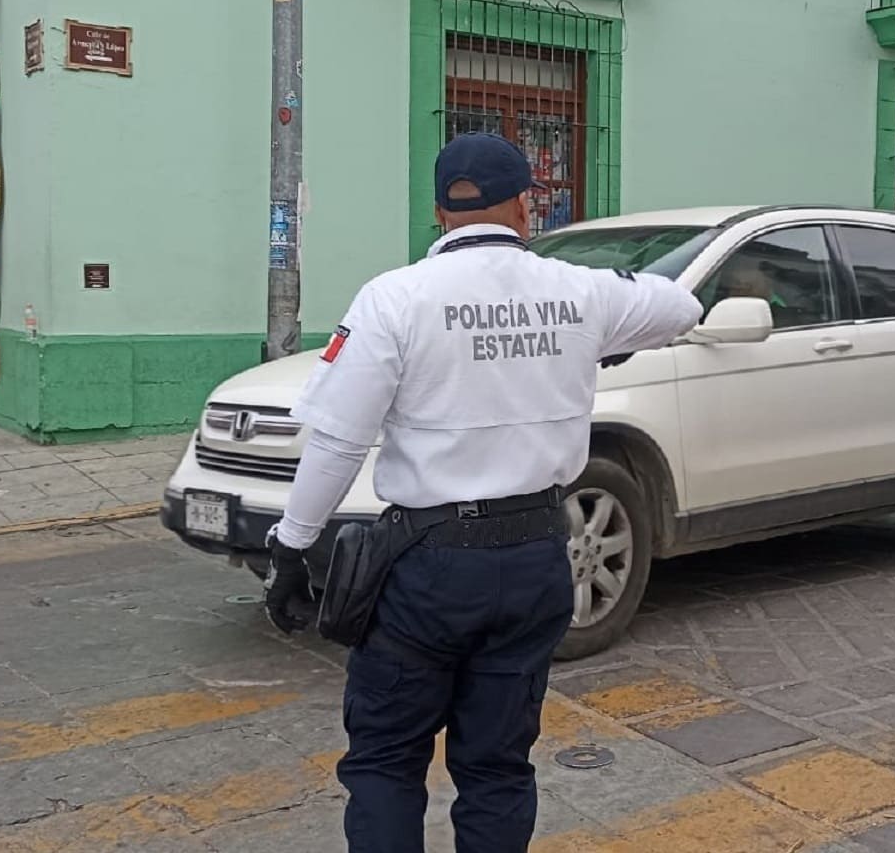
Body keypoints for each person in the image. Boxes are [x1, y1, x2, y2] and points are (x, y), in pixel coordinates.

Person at [264, 133, 702, 851]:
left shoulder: (395, 298)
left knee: (386, 759)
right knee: (497, 767)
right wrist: (601, 338)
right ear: (526, 206)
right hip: (536, 557)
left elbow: (340, 441)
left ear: (440, 212)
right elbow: (680, 308)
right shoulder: (579, 291)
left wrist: (292, 547)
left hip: (428, 568)